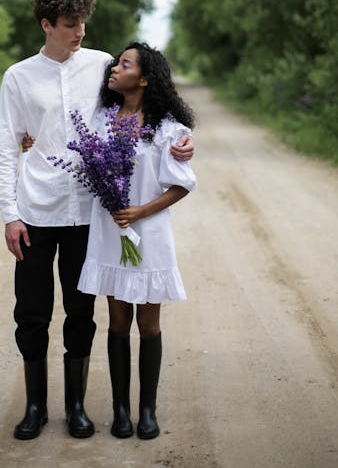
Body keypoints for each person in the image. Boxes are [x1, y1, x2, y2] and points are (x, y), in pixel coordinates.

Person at [0, 0, 195, 441]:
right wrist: (9, 213)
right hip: (37, 209)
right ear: (47, 25)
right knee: (32, 312)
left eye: (83, 22)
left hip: (89, 213)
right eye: (69, 25)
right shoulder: (18, 77)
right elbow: (6, 146)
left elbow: (146, 109)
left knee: (82, 312)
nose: (80, 31)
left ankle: (77, 407)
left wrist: (184, 139)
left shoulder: (103, 65)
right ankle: (35, 406)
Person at [77, 42, 196, 440]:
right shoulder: (101, 120)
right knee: (117, 321)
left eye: (124, 64)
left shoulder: (167, 130)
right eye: (115, 63)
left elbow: (182, 186)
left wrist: (140, 212)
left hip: (149, 233)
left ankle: (148, 411)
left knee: (147, 323)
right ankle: (121, 411)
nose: (114, 68)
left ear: (144, 78)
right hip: (112, 232)